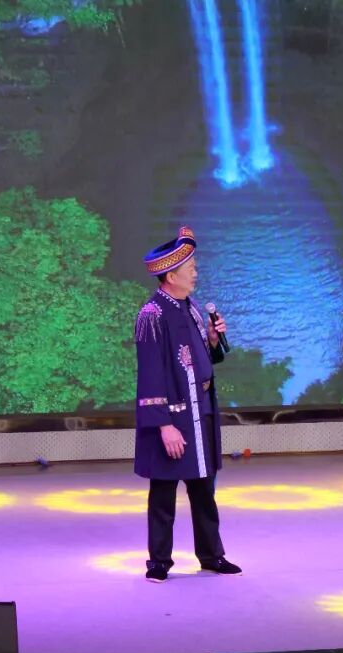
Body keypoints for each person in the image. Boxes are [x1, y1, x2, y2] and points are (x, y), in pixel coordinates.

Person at [135, 226, 241, 583]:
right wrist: (164, 424)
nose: (196, 272)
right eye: (190, 267)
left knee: (204, 490)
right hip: (175, 414)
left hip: (201, 409)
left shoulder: (192, 307)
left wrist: (212, 340)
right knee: (163, 492)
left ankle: (211, 555)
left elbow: (201, 359)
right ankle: (158, 561)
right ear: (171, 275)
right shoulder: (152, 314)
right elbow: (151, 373)